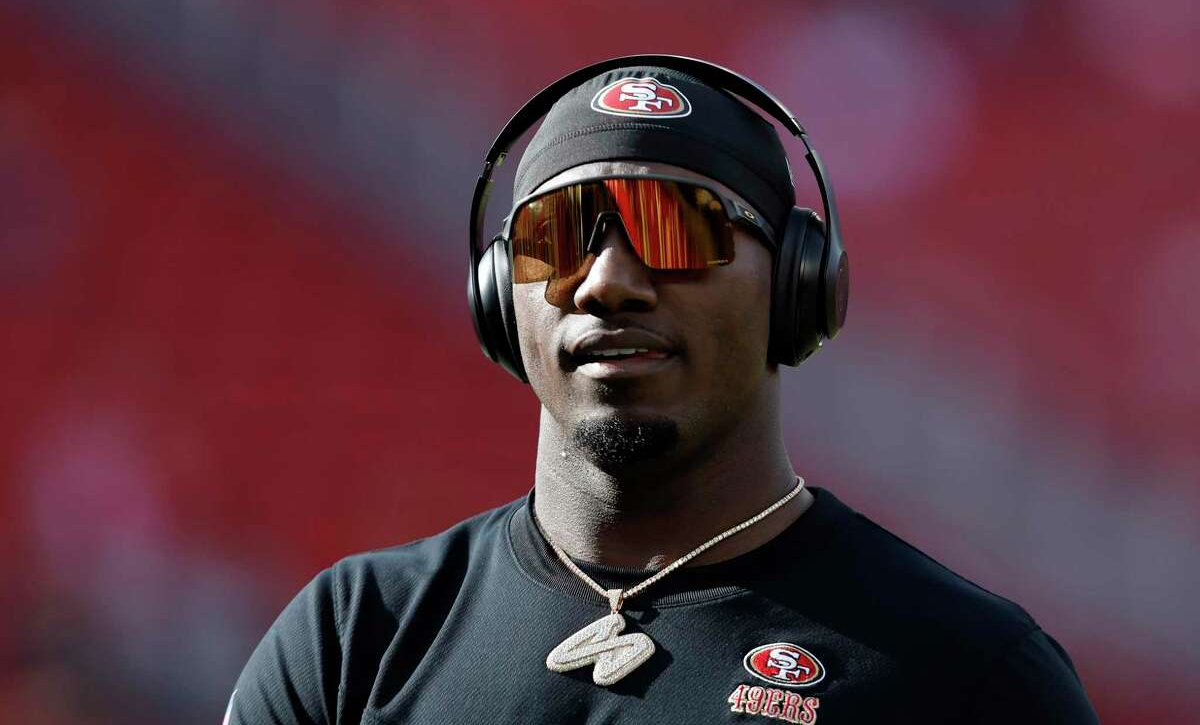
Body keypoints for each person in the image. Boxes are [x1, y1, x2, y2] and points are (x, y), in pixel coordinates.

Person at [225, 57, 1099, 724]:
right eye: (556, 237)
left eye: (676, 228)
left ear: (796, 288)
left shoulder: (968, 675)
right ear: (499, 296)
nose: (606, 281)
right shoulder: (351, 639)